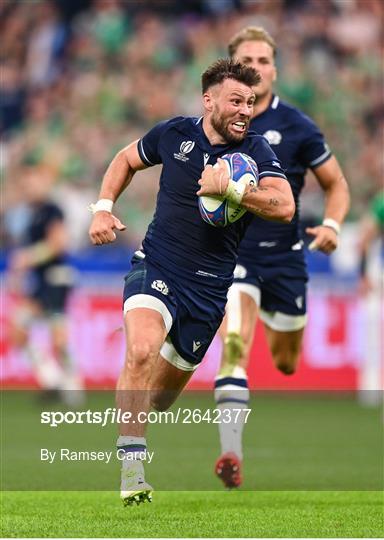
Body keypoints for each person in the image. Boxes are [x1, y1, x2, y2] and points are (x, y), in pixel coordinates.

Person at [88, 58, 295, 506]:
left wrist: (233, 191)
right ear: (210, 100)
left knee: (161, 398)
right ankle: (132, 469)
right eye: (236, 100)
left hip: (208, 290)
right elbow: (126, 158)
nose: (245, 109)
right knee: (140, 349)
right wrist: (102, 206)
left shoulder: (256, 152)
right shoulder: (174, 134)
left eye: (252, 101)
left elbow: (284, 207)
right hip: (158, 265)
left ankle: (143, 389)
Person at [213, 27, 350, 489]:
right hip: (236, 257)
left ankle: (275, 319)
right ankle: (231, 454)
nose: (257, 67)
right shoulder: (212, 126)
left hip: (287, 258)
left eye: (265, 60)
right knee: (234, 347)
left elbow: (336, 184)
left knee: (287, 361)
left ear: (275, 69)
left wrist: (331, 225)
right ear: (233, 67)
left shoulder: (298, 126)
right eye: (247, 59)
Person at [7, 162, 82, 404]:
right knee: (18, 330)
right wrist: (18, 275)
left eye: (33, 181)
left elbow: (58, 243)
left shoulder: (52, 210)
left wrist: (29, 258)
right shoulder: (30, 216)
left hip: (56, 279)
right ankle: (52, 380)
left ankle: (71, 385)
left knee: (58, 339)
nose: (29, 187)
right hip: (40, 282)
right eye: (25, 182)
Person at [356, 191, 383, 406]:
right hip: (379, 276)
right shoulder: (381, 202)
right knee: (374, 333)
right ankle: (371, 387)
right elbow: (365, 238)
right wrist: (364, 274)